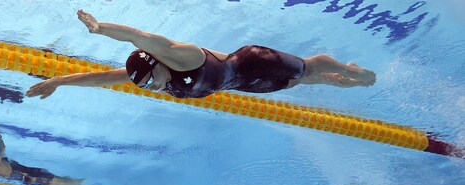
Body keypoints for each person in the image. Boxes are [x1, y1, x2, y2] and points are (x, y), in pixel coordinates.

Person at [26, 10, 375, 101]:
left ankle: (355, 73)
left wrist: (101, 29)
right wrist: (59, 81)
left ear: (157, 62)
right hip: (242, 85)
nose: (153, 89)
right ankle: (350, 82)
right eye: (145, 88)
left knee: (310, 67)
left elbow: (138, 36)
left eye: (151, 81)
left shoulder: (180, 56)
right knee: (306, 82)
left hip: (254, 62)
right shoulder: (148, 76)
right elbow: (102, 77)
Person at [0, 124, 83, 185]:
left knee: (52, 179)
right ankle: (75, 184)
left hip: (25, 176)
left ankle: (70, 182)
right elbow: (3, 148)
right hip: (28, 175)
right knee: (50, 180)